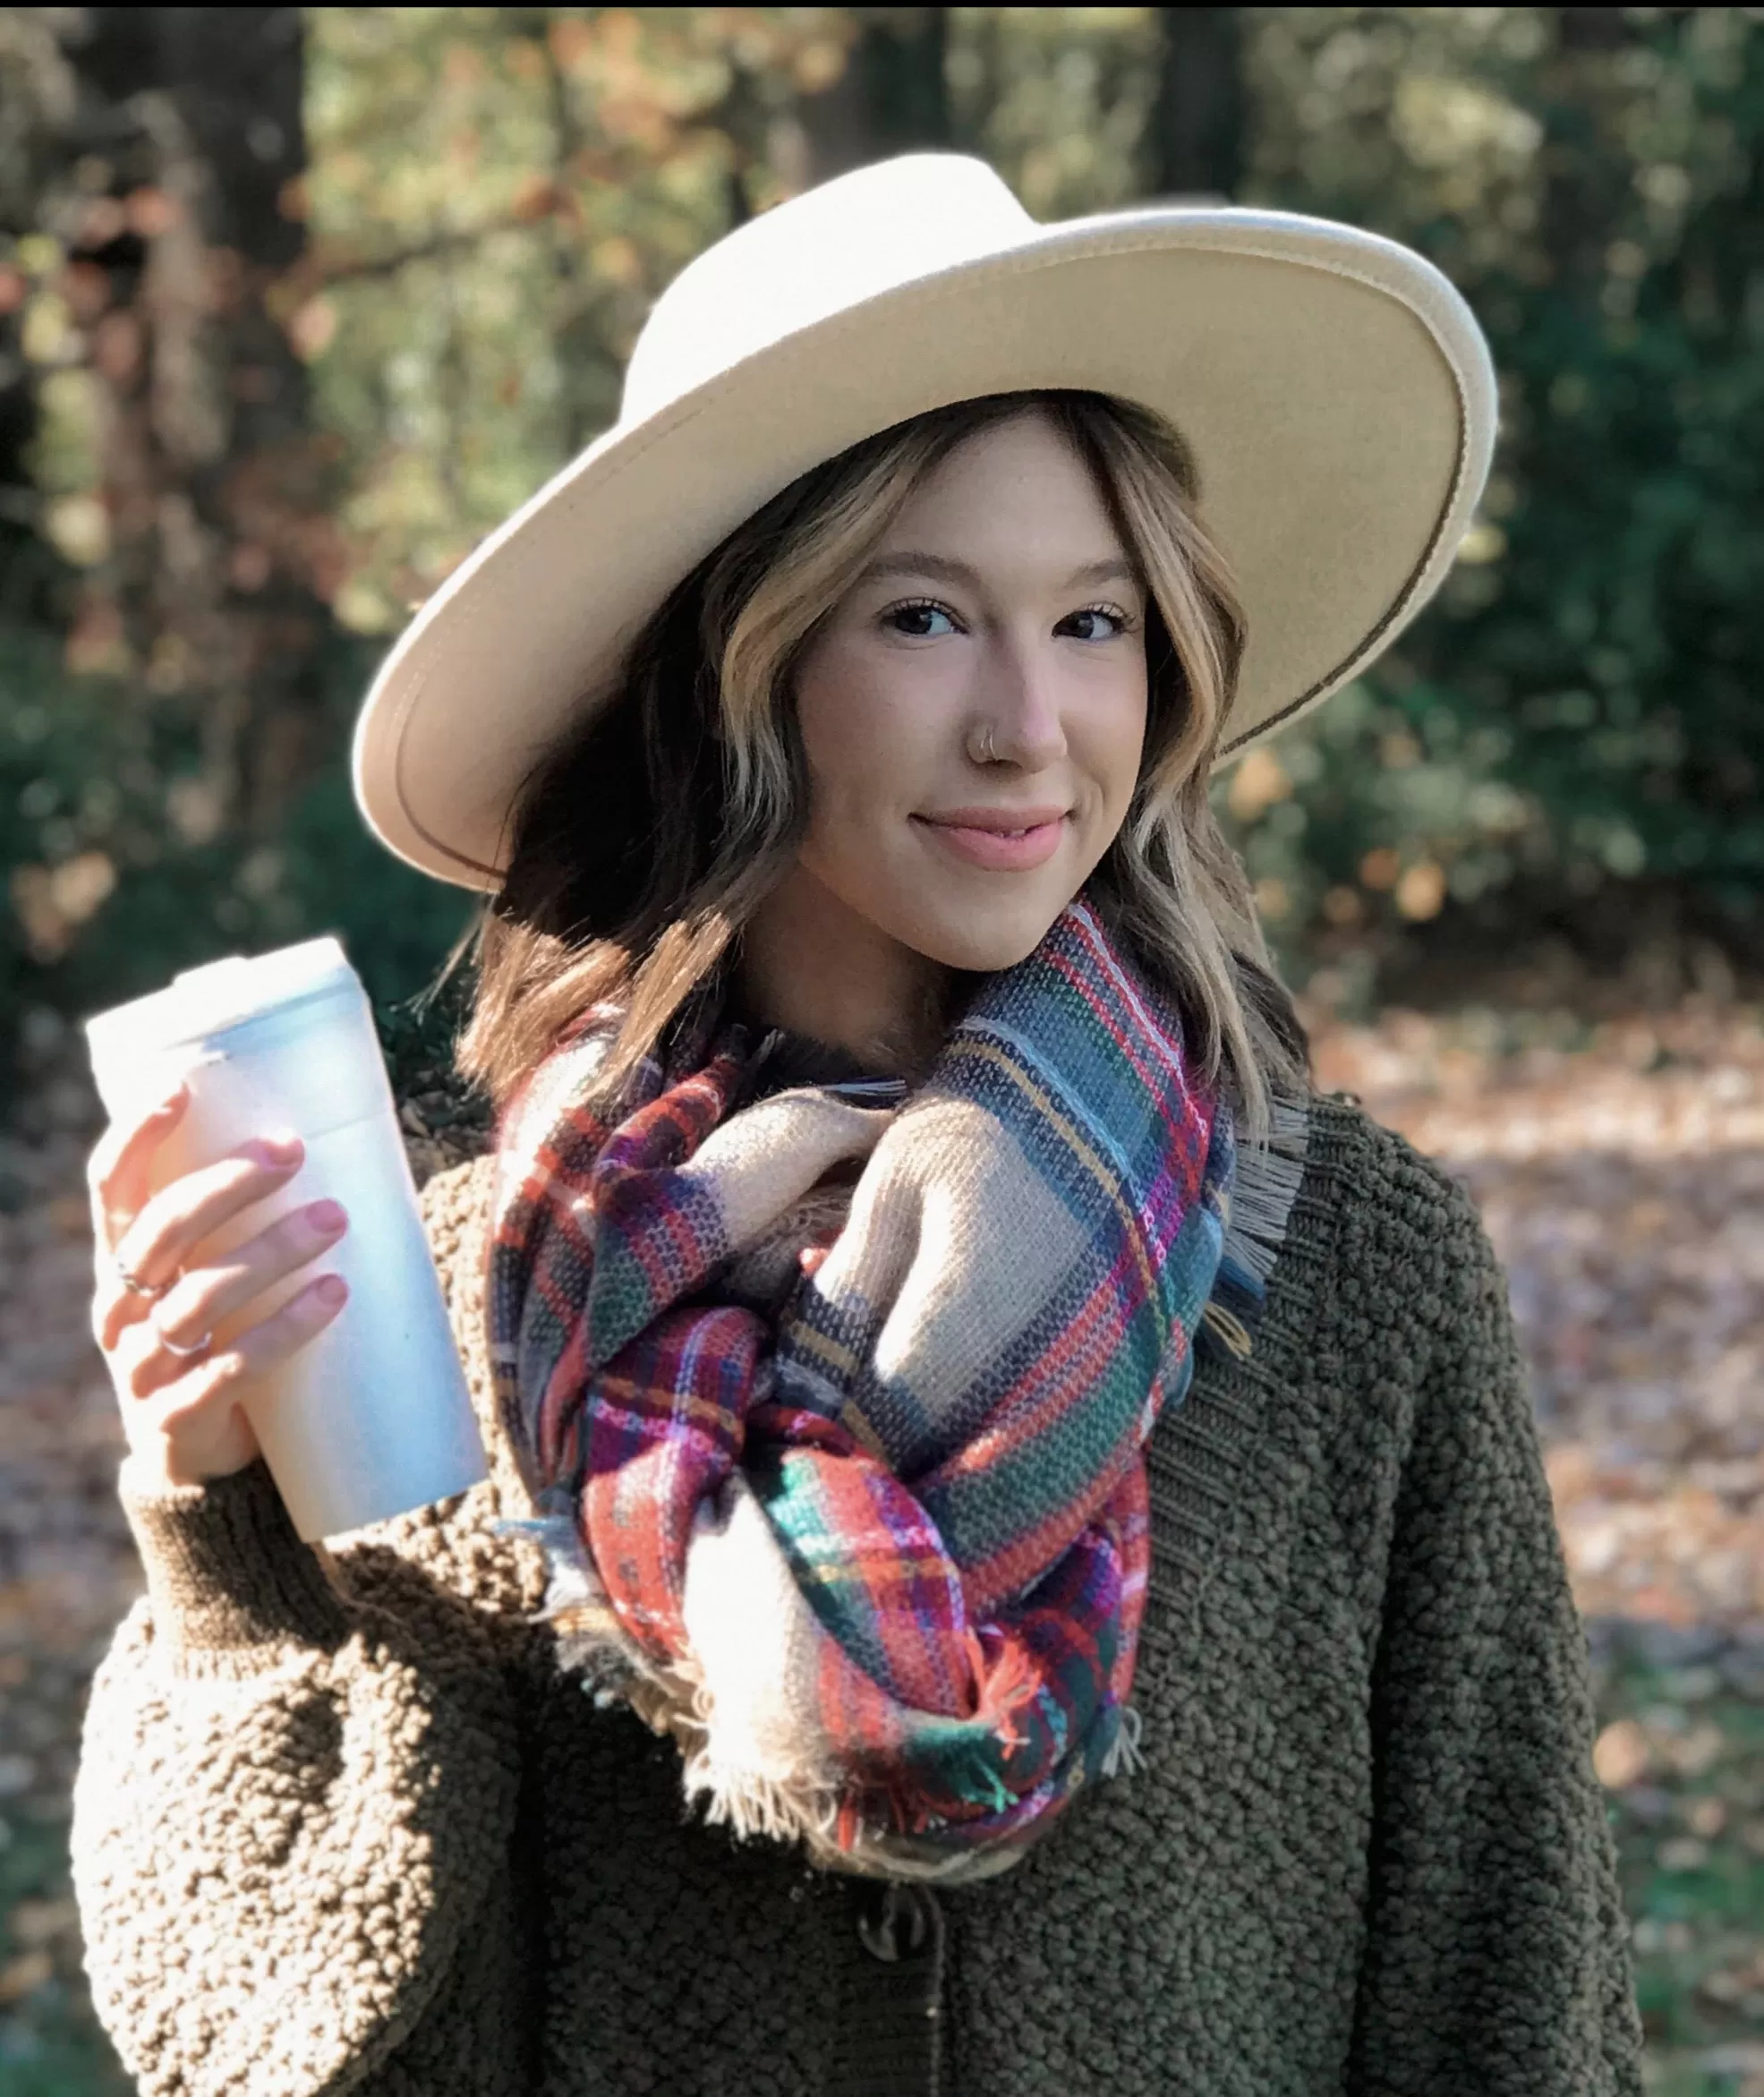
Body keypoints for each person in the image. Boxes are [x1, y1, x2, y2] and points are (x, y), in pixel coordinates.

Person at [71, 155, 1645, 2094]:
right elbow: (273, 2041)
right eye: (919, 617)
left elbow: (1512, 1995)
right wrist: (229, 1531)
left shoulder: (1346, 1271)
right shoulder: (491, 1295)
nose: (1028, 726)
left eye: (1093, 624)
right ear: (735, 678)